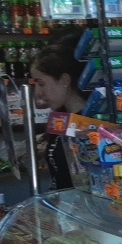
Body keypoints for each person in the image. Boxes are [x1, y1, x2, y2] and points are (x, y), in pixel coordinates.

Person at [30, 35, 87, 190]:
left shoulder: (87, 122)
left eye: (41, 84)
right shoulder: (61, 118)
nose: (38, 93)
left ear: (64, 80)